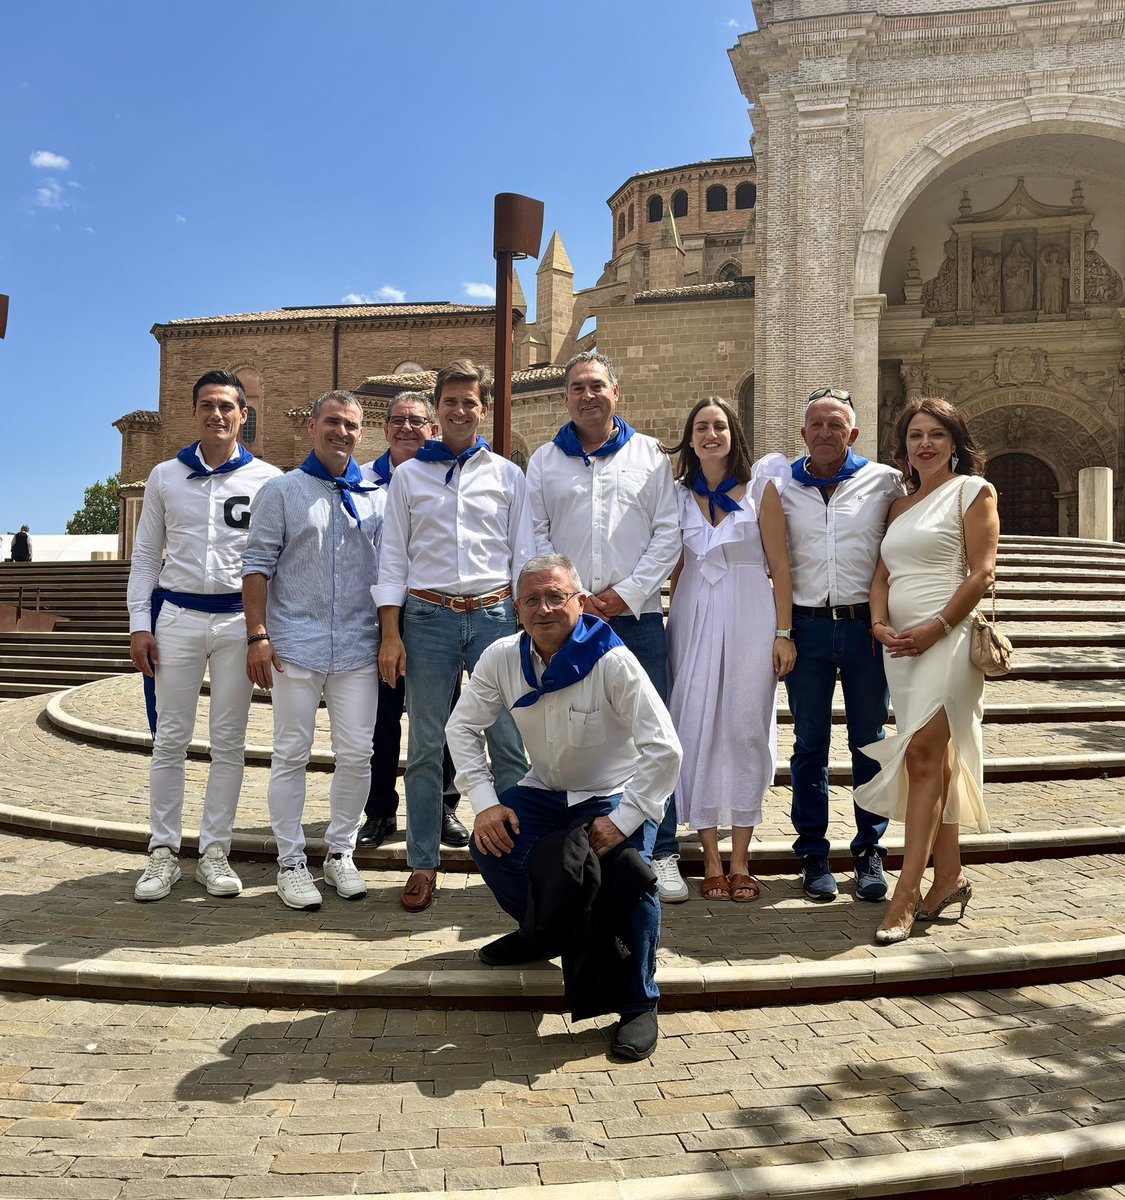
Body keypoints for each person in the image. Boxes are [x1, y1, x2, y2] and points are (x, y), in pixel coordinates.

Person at [446, 553, 682, 1061]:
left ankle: (640, 1002)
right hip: (546, 789)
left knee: (629, 875)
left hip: (611, 790)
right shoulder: (502, 657)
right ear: (516, 609)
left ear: (579, 602)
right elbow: (460, 728)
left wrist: (623, 821)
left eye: (557, 596)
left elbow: (665, 749)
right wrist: (484, 802)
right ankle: (542, 932)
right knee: (491, 845)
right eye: (532, 599)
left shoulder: (611, 660)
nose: (544, 608)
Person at [526, 351, 684, 903]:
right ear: (565, 397)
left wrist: (625, 594)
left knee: (652, 730)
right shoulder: (545, 461)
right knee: (571, 727)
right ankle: (571, 844)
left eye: (596, 386)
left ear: (616, 392)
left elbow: (668, 533)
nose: (587, 395)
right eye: (576, 388)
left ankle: (660, 851)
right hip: (567, 624)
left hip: (634, 618)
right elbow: (535, 535)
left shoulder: (650, 457)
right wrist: (567, 600)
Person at [376, 359, 533, 914]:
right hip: (428, 618)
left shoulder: (510, 476)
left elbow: (522, 557)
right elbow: (392, 558)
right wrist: (390, 634)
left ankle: (516, 856)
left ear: (483, 410)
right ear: (437, 411)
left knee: (509, 741)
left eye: (471, 402)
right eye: (451, 402)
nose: (461, 410)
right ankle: (423, 861)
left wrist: (525, 628)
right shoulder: (409, 476)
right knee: (425, 744)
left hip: (495, 617)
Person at [126, 370, 281, 901]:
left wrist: (267, 630)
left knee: (230, 742)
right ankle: (163, 850)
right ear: (194, 413)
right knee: (170, 739)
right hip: (178, 618)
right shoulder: (165, 476)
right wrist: (139, 625)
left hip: (239, 621)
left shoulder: (268, 479)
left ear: (244, 415)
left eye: (227, 407)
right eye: (208, 405)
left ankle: (214, 850)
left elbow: (277, 561)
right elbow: (146, 556)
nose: (218, 414)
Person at [858, 397, 999, 944]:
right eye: (916, 435)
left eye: (936, 434)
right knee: (932, 764)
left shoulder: (974, 492)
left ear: (956, 442)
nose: (925, 444)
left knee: (921, 755)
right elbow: (881, 577)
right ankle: (949, 878)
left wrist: (935, 629)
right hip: (902, 650)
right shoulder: (899, 505)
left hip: (948, 640)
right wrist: (878, 624)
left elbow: (982, 573)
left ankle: (907, 891)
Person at [243, 389, 383, 911]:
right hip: (294, 645)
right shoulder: (281, 491)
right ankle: (290, 860)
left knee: (357, 754)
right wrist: (257, 635)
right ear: (312, 426)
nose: (341, 432)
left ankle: (340, 852)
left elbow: (389, 571)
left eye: (350, 425)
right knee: (290, 754)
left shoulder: (376, 494)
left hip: (356, 646)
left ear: (360, 431)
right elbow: (256, 565)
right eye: (332, 422)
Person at [665, 398, 795, 901]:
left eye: (719, 425)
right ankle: (711, 858)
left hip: (749, 613)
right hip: (694, 614)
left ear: (733, 434)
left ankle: (741, 859)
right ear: (691, 438)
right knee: (694, 726)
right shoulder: (678, 496)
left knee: (744, 727)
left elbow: (781, 566)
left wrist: (784, 633)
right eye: (701, 426)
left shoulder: (761, 488)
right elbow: (675, 566)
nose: (710, 434)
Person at [781, 387, 905, 902]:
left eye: (837, 425)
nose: (826, 433)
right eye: (817, 424)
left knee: (869, 741)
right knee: (809, 745)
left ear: (854, 434)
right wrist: (781, 631)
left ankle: (869, 850)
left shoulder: (885, 482)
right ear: (804, 432)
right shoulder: (781, 485)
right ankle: (813, 854)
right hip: (806, 630)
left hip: (864, 630)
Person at [357, 391, 467, 851]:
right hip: (375, 617)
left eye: (417, 421)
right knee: (382, 719)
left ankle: (442, 805)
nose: (407, 428)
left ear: (433, 429)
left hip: (435, 611)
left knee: (442, 716)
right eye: (397, 420)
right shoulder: (358, 482)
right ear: (384, 429)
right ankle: (379, 809)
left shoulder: (445, 478)